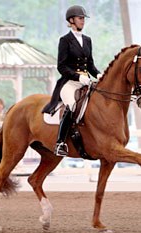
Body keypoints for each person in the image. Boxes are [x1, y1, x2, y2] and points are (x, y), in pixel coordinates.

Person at [42, 5, 102, 156]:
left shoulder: (88, 40)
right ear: (71, 20)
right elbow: (61, 67)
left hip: (86, 81)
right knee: (72, 104)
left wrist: (99, 75)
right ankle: (60, 142)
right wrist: (78, 77)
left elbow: (90, 65)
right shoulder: (65, 40)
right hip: (69, 82)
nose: (83, 21)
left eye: (83, 19)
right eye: (80, 18)